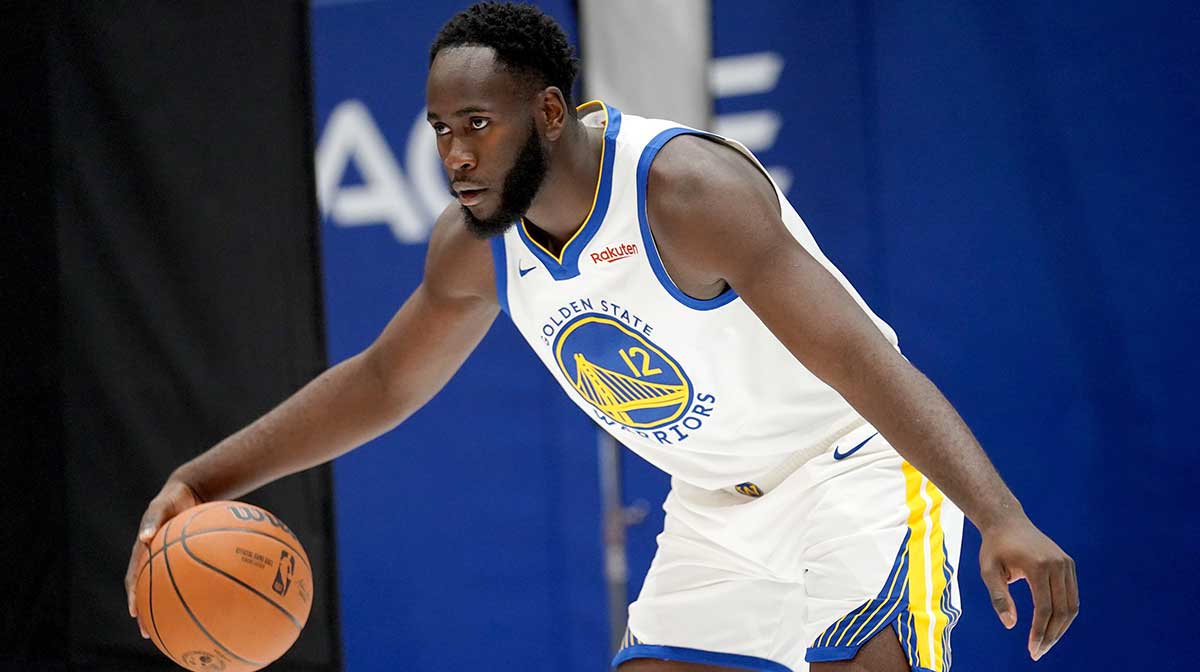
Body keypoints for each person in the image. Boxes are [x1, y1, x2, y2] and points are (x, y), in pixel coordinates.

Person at [125, 4, 1078, 671]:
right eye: (441, 129)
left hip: (850, 470)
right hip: (712, 510)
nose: (455, 153)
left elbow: (861, 359)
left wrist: (998, 514)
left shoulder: (685, 193)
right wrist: (205, 479)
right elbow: (382, 382)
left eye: (476, 123)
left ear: (548, 112)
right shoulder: (477, 247)